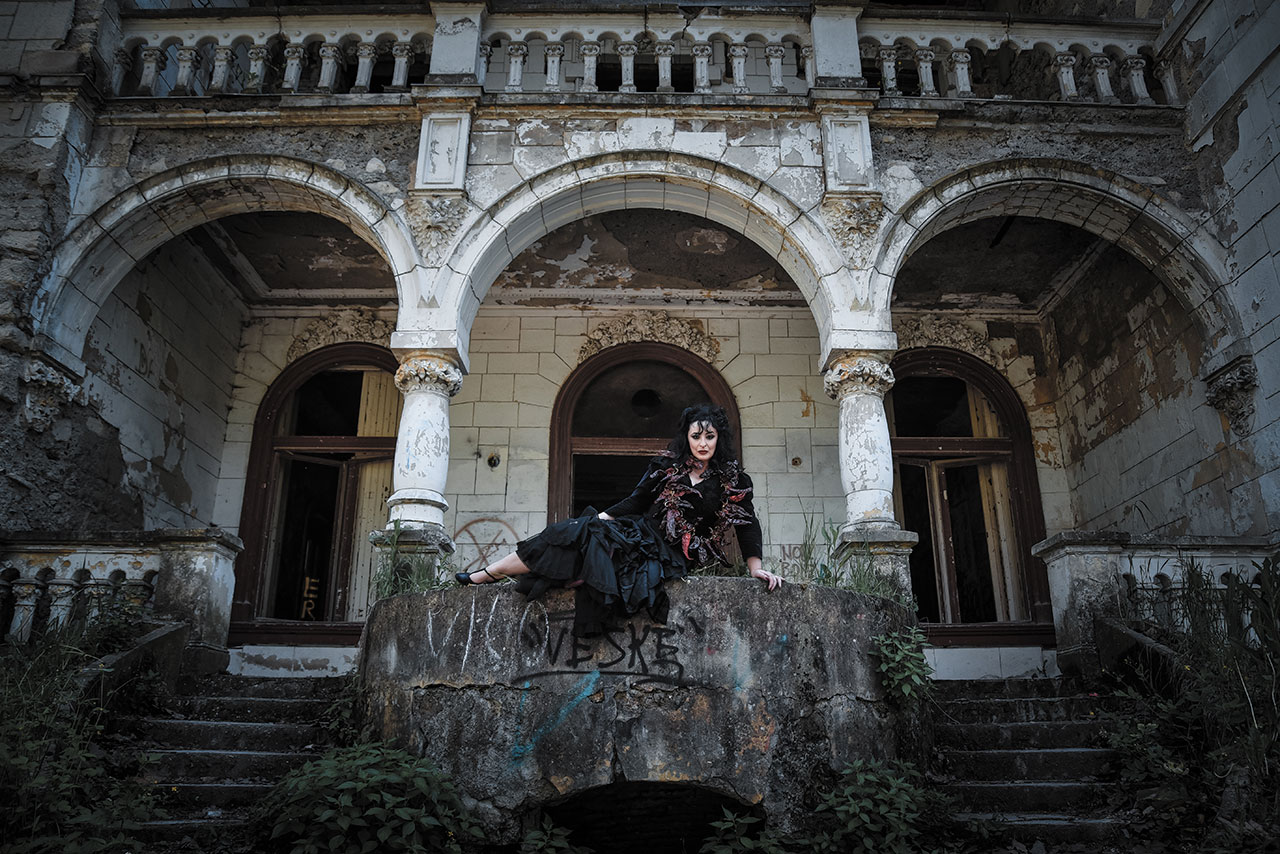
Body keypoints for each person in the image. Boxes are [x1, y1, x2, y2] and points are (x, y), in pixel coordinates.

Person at [456, 403, 783, 636]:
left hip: (671, 556)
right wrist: (596, 518)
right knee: (573, 532)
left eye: (709, 437)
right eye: (696, 436)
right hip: (640, 534)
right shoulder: (666, 467)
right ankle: (489, 572)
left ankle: (496, 573)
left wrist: (755, 568)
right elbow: (637, 501)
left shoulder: (733, 481)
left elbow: (747, 523)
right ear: (686, 437)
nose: (702, 444)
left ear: (718, 438)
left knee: (591, 552)